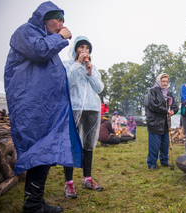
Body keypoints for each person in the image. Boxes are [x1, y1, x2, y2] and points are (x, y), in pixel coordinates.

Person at [4, 2, 82, 212]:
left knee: (44, 153)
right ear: (44, 18)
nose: (61, 23)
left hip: (46, 108)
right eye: (57, 19)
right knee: (38, 151)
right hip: (30, 107)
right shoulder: (25, 32)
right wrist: (61, 37)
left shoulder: (45, 38)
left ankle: (35, 202)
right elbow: (39, 51)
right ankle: (33, 206)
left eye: (63, 20)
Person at [62, 36, 104, 198]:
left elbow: (99, 88)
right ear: (75, 49)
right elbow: (67, 83)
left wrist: (90, 71)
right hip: (75, 108)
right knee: (72, 145)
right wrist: (78, 65)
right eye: (81, 47)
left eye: (87, 48)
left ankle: (87, 179)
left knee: (88, 145)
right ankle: (69, 183)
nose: (84, 50)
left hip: (92, 109)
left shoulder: (93, 67)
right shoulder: (68, 65)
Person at [145, 73, 178, 170]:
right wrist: (165, 110)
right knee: (154, 145)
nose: (165, 83)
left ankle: (164, 161)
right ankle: (151, 164)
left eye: (166, 81)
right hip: (154, 122)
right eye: (163, 81)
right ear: (159, 81)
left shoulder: (169, 93)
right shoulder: (152, 91)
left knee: (165, 144)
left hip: (165, 123)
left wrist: (173, 111)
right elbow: (152, 105)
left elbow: (175, 106)